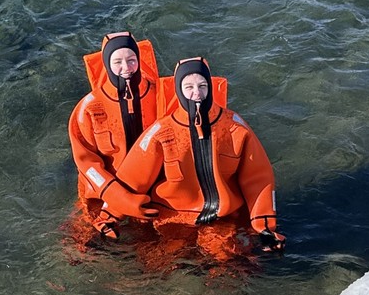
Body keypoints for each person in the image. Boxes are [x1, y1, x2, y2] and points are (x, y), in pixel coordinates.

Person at [111, 55, 285, 258]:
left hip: (223, 217)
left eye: (202, 86)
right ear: (178, 90)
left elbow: (259, 179)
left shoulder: (235, 127)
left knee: (231, 268)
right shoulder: (161, 131)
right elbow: (131, 178)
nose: (196, 93)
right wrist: (110, 214)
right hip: (173, 218)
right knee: (161, 267)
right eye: (189, 87)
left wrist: (265, 226)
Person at [68, 31, 162, 238]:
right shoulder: (88, 108)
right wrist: (117, 196)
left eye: (131, 60)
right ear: (106, 64)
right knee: (81, 248)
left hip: (150, 189)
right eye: (117, 61)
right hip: (101, 194)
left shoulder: (161, 94)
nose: (126, 68)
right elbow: (87, 164)